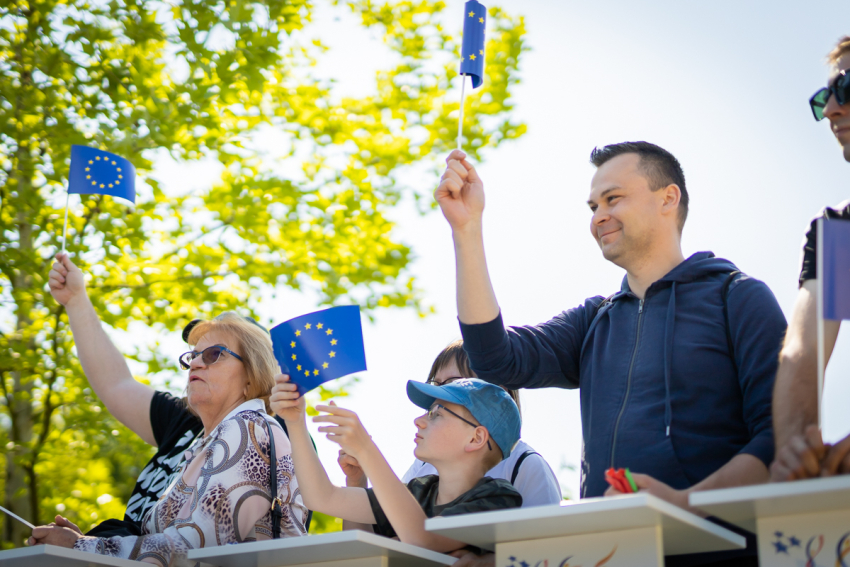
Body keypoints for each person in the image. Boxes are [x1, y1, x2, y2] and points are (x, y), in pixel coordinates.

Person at [435, 142, 787, 566]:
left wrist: (685, 503)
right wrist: (466, 230)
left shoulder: (738, 297)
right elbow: (495, 359)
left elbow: (779, 437)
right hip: (611, 556)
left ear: (668, 199)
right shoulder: (593, 320)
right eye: (592, 205)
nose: (598, 215)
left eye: (613, 198)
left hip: (721, 554)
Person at [28, 254, 307, 565]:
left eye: (215, 353)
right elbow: (115, 384)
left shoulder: (256, 429)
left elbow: (201, 546)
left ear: (253, 375)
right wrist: (90, 545)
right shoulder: (193, 427)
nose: (196, 362)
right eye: (194, 355)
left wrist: (85, 549)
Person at [270, 375, 522, 554]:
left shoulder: (499, 498)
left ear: (476, 438)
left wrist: (366, 450)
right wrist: (295, 422)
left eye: (436, 413)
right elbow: (321, 498)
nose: (419, 421)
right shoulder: (418, 490)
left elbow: (421, 538)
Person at [771, 36, 850, 482]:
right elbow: (803, 350)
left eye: (848, 87)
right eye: (825, 97)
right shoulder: (842, 232)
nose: (833, 111)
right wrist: (795, 449)